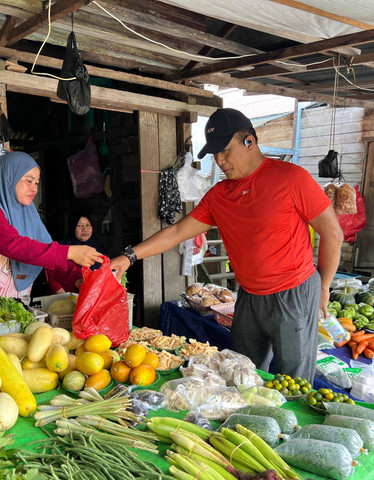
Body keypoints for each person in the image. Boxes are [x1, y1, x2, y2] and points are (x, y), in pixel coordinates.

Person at [111, 108, 343, 382]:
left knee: (292, 380)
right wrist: (128, 257)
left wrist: (325, 287)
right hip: (247, 295)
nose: (220, 160)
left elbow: (333, 234)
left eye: (225, 150)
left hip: (292, 294)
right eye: (215, 153)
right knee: (242, 372)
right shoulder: (219, 195)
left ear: (249, 142)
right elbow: (176, 232)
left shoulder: (291, 178)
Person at [0, 151, 102, 301]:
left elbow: (46, 254)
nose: (34, 188)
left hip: (8, 313)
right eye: (29, 180)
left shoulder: (27, 213)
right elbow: (16, 246)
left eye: (36, 183)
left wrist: (77, 281)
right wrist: (69, 251)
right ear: (10, 177)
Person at [45, 214, 108, 294]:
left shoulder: (97, 245)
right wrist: (66, 296)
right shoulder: (61, 247)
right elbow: (51, 277)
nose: (85, 229)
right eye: (80, 226)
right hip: (70, 294)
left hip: (95, 293)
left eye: (88, 225)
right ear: (72, 227)